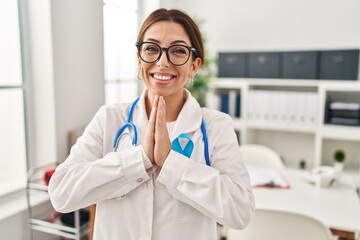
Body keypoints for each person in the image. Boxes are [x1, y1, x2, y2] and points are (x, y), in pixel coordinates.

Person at [48, 8, 254, 240]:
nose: (162, 61)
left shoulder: (216, 126)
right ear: (139, 59)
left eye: (178, 51)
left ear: (194, 65)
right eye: (151, 49)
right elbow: (61, 194)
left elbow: (241, 211)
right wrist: (139, 159)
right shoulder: (110, 119)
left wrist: (171, 163)